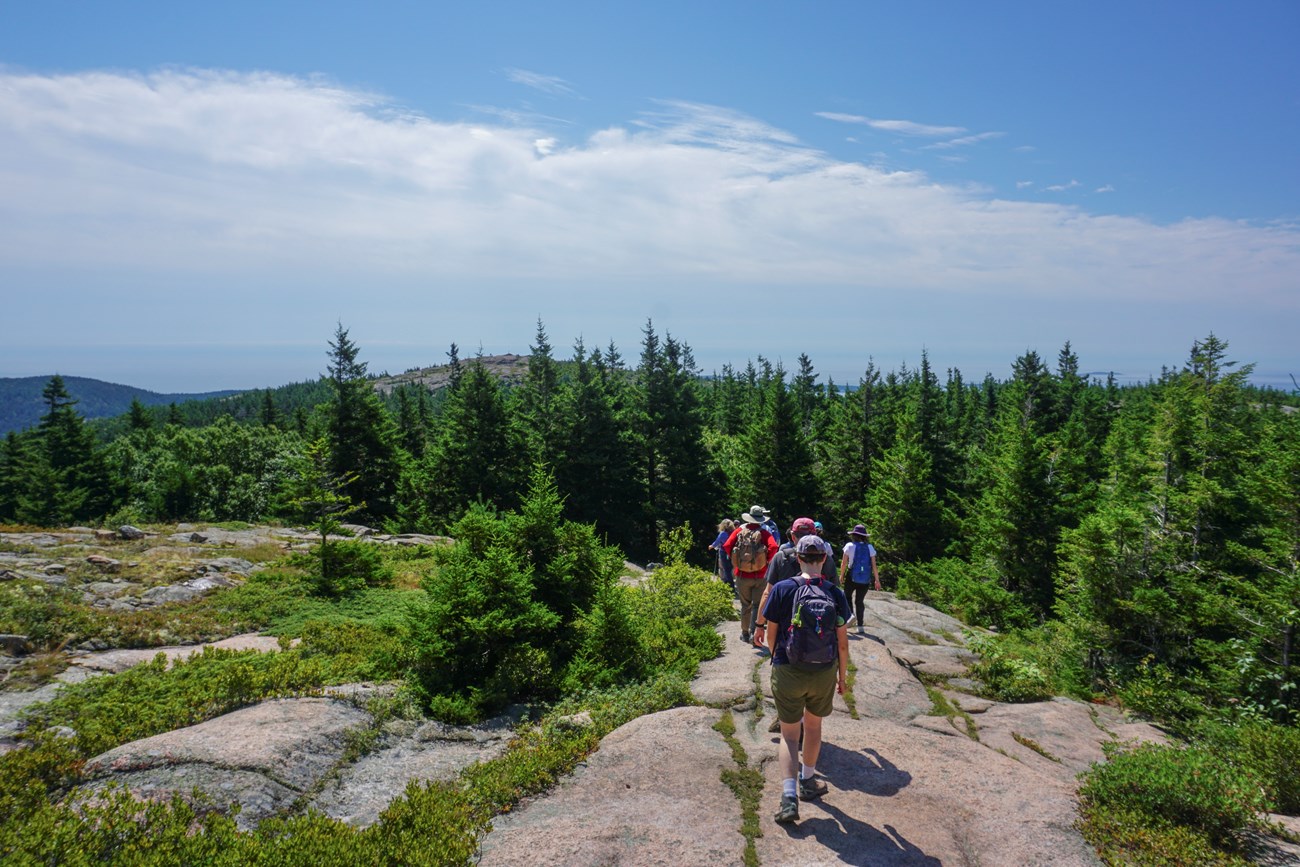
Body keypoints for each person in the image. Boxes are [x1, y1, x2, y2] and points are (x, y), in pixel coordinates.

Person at [760, 534, 850, 824]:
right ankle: (808, 782)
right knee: (813, 727)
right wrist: (842, 676)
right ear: (824, 559)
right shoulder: (835, 593)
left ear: (797, 558)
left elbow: (772, 631)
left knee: (789, 735)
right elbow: (843, 642)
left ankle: (789, 798)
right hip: (823, 670)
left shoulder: (784, 588)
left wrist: (776, 658)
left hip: (788, 668)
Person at [752, 517, 836, 651]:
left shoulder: (781, 558)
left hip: (786, 633)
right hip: (819, 635)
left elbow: (768, 593)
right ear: (815, 535)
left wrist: (760, 625)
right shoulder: (826, 560)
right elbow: (834, 596)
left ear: (792, 536)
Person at [723, 509, 780, 643]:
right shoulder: (764, 533)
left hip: (742, 575)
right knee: (757, 605)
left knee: (745, 605)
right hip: (760, 576)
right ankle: (755, 633)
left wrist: (736, 560)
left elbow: (726, 545)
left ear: (748, 518)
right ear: (761, 520)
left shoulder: (739, 532)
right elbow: (774, 547)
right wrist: (765, 561)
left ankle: (744, 633)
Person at [840, 524, 881, 633]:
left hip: (851, 576)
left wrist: (841, 575)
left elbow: (844, 563)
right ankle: (860, 625)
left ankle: (850, 616)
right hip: (865, 578)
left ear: (854, 535)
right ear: (864, 536)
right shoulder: (870, 547)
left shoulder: (849, 546)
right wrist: (877, 580)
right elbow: (874, 565)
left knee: (847, 596)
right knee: (859, 601)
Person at [709, 518, 736, 591]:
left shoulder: (723, 533)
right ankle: (730, 584)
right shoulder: (734, 532)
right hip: (733, 553)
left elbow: (717, 542)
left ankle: (730, 586)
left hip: (724, 552)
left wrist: (711, 546)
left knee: (726, 569)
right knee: (731, 569)